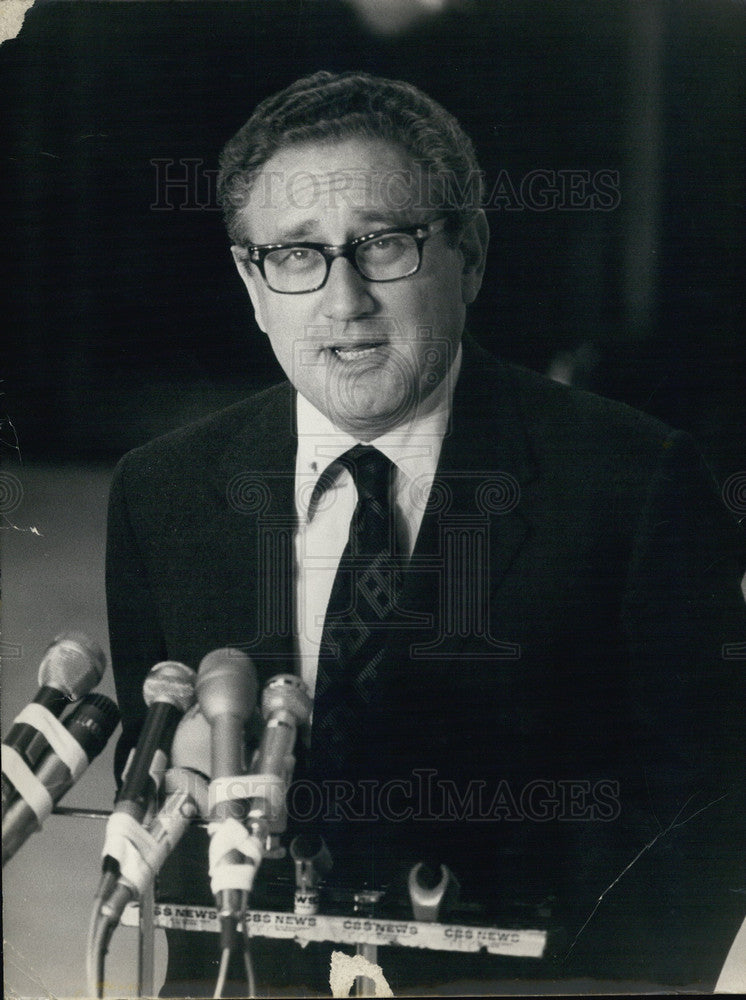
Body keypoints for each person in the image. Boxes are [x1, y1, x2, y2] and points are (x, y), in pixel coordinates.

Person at [106, 70, 746, 995]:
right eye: (297, 254)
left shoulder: (634, 481)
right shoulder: (160, 492)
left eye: (383, 245)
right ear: (251, 283)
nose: (345, 299)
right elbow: (161, 784)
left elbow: (705, 823)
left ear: (470, 253)